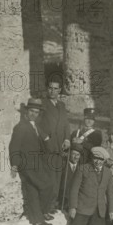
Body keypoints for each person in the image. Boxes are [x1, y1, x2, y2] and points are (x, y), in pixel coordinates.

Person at [9, 98, 54, 225]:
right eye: (31, 111)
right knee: (47, 185)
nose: (34, 114)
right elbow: (14, 147)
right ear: (26, 112)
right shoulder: (20, 127)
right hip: (27, 165)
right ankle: (43, 213)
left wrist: (45, 138)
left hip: (37, 163)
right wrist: (14, 165)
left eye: (36, 112)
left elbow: (45, 141)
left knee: (33, 191)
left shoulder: (35, 126)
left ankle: (38, 219)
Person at [39, 80, 70, 212]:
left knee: (57, 176)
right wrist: (45, 138)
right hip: (48, 146)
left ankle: (53, 204)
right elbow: (36, 124)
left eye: (55, 89)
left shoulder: (62, 105)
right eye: (50, 88)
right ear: (47, 89)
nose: (52, 91)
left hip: (60, 147)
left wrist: (68, 139)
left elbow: (66, 124)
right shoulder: (43, 104)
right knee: (48, 177)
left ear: (59, 90)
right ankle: (45, 207)